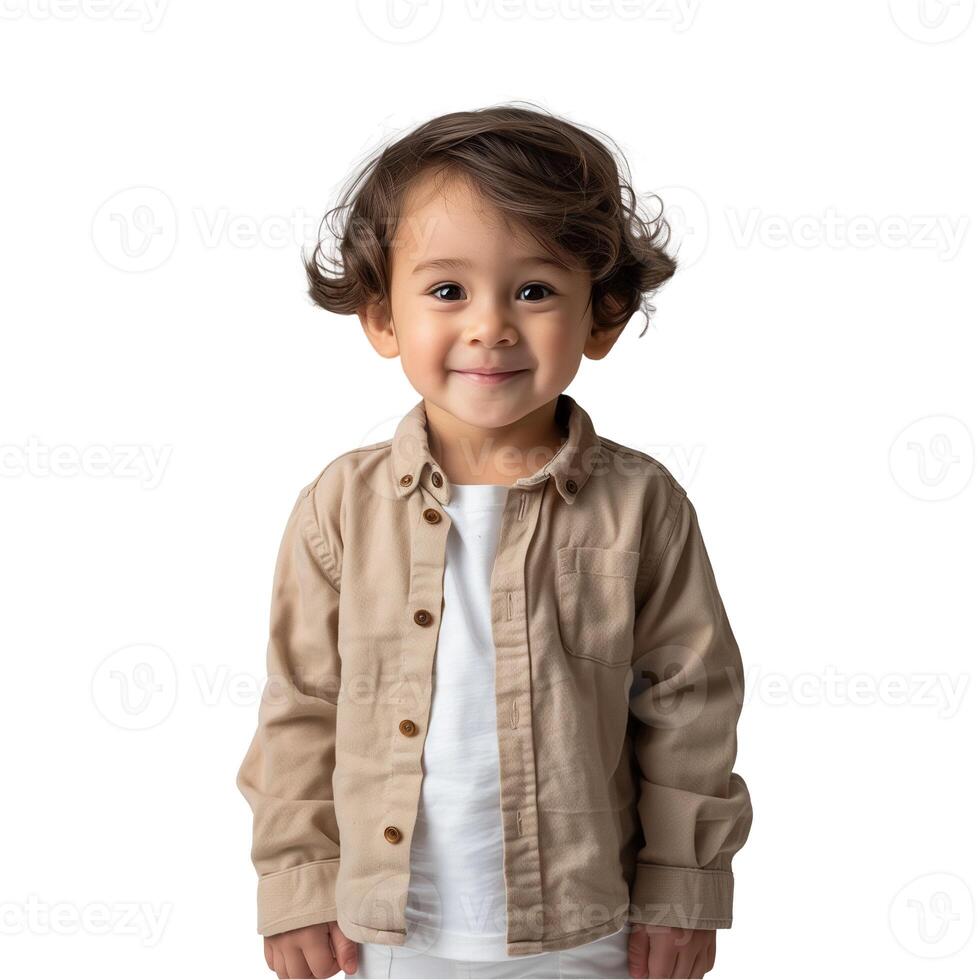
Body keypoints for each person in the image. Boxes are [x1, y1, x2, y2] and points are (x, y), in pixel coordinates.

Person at [236, 103, 753, 979]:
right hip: (393, 927)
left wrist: (683, 887)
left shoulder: (642, 503)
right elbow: (302, 705)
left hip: (593, 926)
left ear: (604, 316)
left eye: (535, 290)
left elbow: (689, 705)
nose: (490, 326)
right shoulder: (340, 507)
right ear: (381, 317)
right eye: (447, 290)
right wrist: (296, 881)